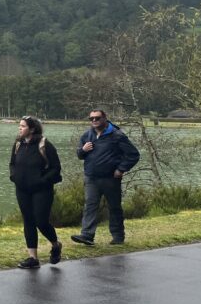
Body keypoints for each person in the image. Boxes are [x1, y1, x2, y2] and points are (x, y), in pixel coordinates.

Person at [71, 108, 140, 246]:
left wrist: (121, 169)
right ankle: (87, 235)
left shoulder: (117, 135)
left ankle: (118, 236)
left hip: (110, 178)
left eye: (97, 118)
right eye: (91, 119)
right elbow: (80, 155)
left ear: (105, 118)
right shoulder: (87, 135)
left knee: (114, 207)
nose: (94, 121)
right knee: (90, 206)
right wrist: (82, 150)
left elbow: (133, 154)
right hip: (91, 178)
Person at [9, 116, 63, 269]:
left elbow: (55, 168)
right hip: (22, 189)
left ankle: (55, 244)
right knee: (28, 221)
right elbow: (12, 163)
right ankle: (33, 258)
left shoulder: (45, 145)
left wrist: (42, 181)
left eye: (23, 126)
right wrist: (14, 176)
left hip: (42, 190)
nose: (20, 128)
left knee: (41, 221)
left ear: (32, 129)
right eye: (19, 126)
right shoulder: (18, 144)